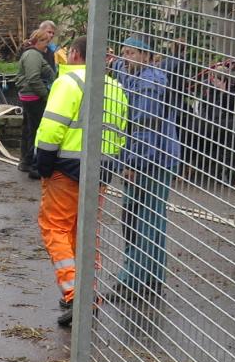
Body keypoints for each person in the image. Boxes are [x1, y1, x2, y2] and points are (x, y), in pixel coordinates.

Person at [33, 37, 129, 328]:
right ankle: (88, 293)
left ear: (75, 54)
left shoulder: (69, 82)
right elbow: (121, 132)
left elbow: (51, 128)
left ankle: (77, 296)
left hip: (66, 170)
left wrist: (43, 166)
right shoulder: (115, 86)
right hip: (101, 170)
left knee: (56, 228)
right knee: (86, 232)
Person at [108, 36, 181, 308]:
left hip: (153, 159)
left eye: (133, 53)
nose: (127, 58)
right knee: (138, 216)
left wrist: (132, 165)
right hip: (146, 156)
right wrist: (112, 60)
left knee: (145, 219)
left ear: (148, 56)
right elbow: (118, 71)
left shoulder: (151, 83)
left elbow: (143, 128)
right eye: (125, 52)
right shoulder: (128, 72)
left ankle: (131, 279)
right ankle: (152, 277)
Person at [14, 20, 58, 178]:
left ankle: (26, 162)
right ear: (39, 39)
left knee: (31, 128)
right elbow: (33, 78)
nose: (48, 43)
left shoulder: (40, 53)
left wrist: (56, 79)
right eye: (46, 38)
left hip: (31, 95)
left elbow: (48, 69)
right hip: (33, 96)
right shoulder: (32, 54)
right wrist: (47, 96)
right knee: (36, 130)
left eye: (52, 34)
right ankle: (32, 165)